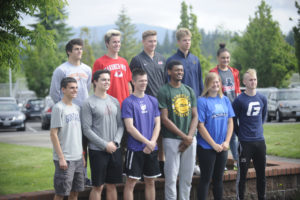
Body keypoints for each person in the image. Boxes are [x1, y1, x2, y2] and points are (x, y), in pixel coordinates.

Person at [49, 38, 92, 186]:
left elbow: (86, 89)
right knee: (70, 144)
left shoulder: (87, 69)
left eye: (81, 49)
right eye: (76, 49)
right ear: (69, 51)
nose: (79, 51)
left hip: (84, 113)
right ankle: (69, 176)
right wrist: (65, 108)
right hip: (69, 115)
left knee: (84, 146)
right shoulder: (61, 70)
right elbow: (54, 92)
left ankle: (83, 177)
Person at [157, 60, 198, 200]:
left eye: (181, 70)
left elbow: (195, 116)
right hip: (172, 139)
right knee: (171, 179)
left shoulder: (189, 90)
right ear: (169, 72)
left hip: (190, 140)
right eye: (176, 70)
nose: (180, 72)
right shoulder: (164, 91)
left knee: (187, 179)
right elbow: (164, 119)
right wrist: (184, 137)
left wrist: (190, 137)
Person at [81, 70, 124, 200]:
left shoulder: (114, 101)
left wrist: (115, 143)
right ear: (95, 81)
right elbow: (86, 129)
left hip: (115, 149)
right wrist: (105, 145)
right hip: (97, 151)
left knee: (112, 185)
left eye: (108, 80)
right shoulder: (88, 103)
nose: (107, 82)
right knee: (98, 186)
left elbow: (121, 125)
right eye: (103, 79)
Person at [129, 30, 166, 176]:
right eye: (150, 41)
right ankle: (143, 167)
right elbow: (132, 82)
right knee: (145, 133)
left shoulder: (161, 58)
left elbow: (164, 81)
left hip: (160, 103)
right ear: (144, 42)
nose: (153, 44)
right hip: (144, 102)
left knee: (160, 134)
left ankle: (160, 164)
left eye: (155, 41)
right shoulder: (137, 59)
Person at [122, 68, 161, 200]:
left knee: (150, 181)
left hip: (151, 148)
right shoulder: (128, 102)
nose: (144, 83)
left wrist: (152, 143)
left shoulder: (153, 100)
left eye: (145, 80)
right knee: (131, 182)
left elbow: (158, 124)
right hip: (135, 149)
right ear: (133, 82)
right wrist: (147, 142)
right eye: (140, 81)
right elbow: (129, 127)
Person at [196, 72, 235, 200]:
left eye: (218, 82)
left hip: (222, 147)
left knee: (219, 180)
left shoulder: (224, 100)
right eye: (213, 82)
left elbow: (230, 122)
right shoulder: (202, 101)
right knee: (206, 179)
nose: (216, 84)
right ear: (207, 84)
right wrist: (213, 144)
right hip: (207, 147)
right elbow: (200, 126)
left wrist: (227, 142)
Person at [233, 69, 267, 200]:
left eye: (255, 79)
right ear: (244, 82)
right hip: (245, 143)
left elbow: (262, 117)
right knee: (242, 176)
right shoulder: (239, 100)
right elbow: (233, 119)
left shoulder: (262, 98)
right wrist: (240, 133)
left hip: (260, 142)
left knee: (261, 175)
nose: (253, 82)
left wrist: (257, 129)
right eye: (250, 80)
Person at [50, 77, 85, 200]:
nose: (75, 90)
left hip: (78, 158)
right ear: (63, 89)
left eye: (76, 88)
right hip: (65, 159)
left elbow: (77, 134)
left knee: (75, 192)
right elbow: (53, 134)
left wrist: (82, 156)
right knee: (61, 193)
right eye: (71, 88)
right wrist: (61, 158)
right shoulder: (58, 108)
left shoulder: (77, 108)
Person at [210, 43, 241, 168]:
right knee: (221, 133)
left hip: (233, 107)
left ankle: (236, 160)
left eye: (228, 58)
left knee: (233, 136)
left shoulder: (234, 72)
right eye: (223, 58)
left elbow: (237, 90)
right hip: (220, 107)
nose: (226, 60)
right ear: (218, 58)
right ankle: (220, 163)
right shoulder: (214, 72)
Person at [92, 29, 132, 106]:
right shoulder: (99, 62)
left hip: (125, 104)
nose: (117, 44)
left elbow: (128, 83)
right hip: (108, 104)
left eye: (119, 42)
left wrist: (130, 100)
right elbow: (95, 85)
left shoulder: (124, 62)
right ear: (107, 44)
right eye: (114, 42)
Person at [166, 28, 203, 98]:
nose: (187, 42)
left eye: (189, 40)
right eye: (184, 40)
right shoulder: (171, 60)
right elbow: (168, 82)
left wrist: (202, 96)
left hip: (195, 99)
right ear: (178, 42)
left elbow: (200, 80)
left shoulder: (195, 59)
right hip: (178, 99)